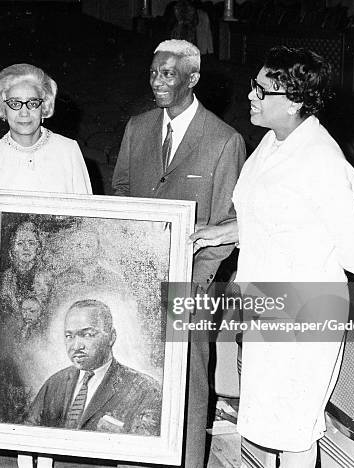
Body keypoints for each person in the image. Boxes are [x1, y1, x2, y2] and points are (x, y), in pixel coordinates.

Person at [191, 46, 354, 467]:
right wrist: (223, 231)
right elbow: (271, 214)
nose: (251, 95)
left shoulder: (322, 161)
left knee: (294, 431)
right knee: (267, 425)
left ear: (293, 102)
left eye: (261, 89)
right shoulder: (273, 143)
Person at [112, 39, 245, 468]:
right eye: (153, 73)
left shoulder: (225, 141)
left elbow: (226, 223)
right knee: (135, 374)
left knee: (188, 384)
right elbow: (122, 192)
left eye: (167, 74)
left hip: (192, 285)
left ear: (193, 78)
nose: (157, 82)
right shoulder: (137, 127)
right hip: (136, 277)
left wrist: (193, 281)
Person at [25, 299, 162, 435]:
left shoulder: (145, 390)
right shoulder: (54, 384)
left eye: (88, 335)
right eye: (69, 336)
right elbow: (26, 432)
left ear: (111, 337)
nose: (76, 346)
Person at [0, 63, 92, 194]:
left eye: (33, 103)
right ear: (3, 109)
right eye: (14, 103)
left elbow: (86, 211)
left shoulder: (68, 150)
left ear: (44, 107)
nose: (24, 113)